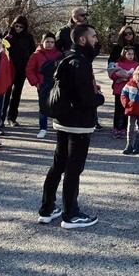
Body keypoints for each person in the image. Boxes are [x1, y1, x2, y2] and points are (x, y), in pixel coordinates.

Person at [38, 24, 104, 229]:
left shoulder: (65, 57)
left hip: (62, 120)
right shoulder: (80, 62)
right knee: (74, 169)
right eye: (93, 36)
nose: (96, 40)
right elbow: (85, 98)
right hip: (79, 124)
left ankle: (47, 209)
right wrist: (99, 98)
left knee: (58, 165)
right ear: (82, 40)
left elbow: (50, 73)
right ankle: (71, 214)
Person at [25, 32, 62, 139]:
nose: (50, 44)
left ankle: (59, 125)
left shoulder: (59, 55)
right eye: (47, 42)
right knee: (43, 107)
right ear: (42, 42)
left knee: (58, 104)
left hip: (56, 84)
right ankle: (43, 128)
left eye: (52, 42)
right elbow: (29, 70)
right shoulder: (36, 55)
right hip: (42, 84)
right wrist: (36, 82)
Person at [1, 15, 35, 129]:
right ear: (13, 25)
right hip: (8, 69)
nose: (18, 28)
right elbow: (1, 49)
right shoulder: (8, 35)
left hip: (22, 69)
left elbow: (32, 52)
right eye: (16, 26)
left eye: (21, 26)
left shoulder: (28, 37)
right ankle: (0, 119)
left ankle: (12, 118)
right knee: (6, 94)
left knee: (16, 94)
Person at [108, 46, 139, 139]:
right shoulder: (118, 64)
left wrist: (127, 78)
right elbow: (112, 74)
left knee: (127, 110)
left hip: (130, 91)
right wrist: (118, 76)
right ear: (124, 54)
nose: (131, 56)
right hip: (119, 90)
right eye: (128, 54)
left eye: (132, 54)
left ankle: (125, 128)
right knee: (118, 110)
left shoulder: (136, 64)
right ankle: (116, 128)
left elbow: (138, 76)